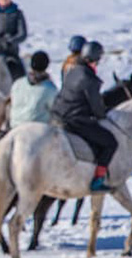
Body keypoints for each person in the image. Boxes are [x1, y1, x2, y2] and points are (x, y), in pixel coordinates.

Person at [50, 40, 118, 192]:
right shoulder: (90, 79)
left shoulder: (71, 70)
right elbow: (97, 108)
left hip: (57, 116)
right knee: (110, 142)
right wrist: (102, 113)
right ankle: (97, 180)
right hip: (75, 120)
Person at [9, 50, 58, 127]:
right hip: (36, 127)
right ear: (46, 66)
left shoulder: (18, 83)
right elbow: (56, 110)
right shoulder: (49, 88)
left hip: (14, 125)